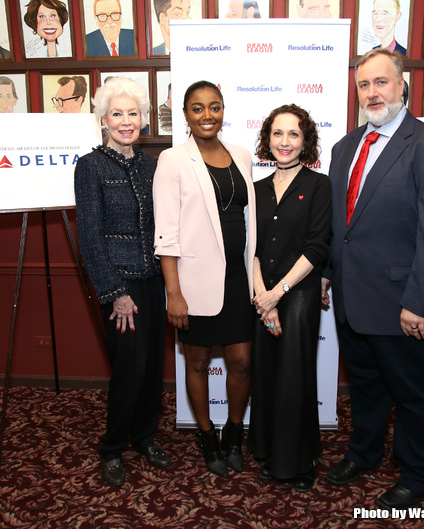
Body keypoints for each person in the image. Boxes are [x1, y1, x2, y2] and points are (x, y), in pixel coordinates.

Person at [323, 49, 424, 511]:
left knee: (414, 395)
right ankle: (363, 453)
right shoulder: (345, 147)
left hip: (407, 304)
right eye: (364, 84)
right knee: (366, 387)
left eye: (381, 82)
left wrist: (419, 303)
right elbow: (339, 225)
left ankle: (422, 472)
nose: (372, 92)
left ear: (402, 86)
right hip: (354, 299)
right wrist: (328, 273)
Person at [153, 81, 256, 478]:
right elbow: (166, 233)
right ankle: (206, 434)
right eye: (198, 109)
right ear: (185, 115)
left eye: (214, 107)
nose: (207, 115)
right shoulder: (173, 161)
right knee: (196, 361)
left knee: (242, 362)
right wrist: (173, 294)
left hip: (238, 277)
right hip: (193, 282)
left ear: (224, 110)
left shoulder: (242, 155)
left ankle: (233, 431)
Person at [74, 76, 171, 487]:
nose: (126, 121)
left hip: (155, 282)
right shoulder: (90, 166)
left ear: (144, 119)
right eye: (118, 114)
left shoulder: (155, 165)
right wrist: (115, 294)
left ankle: (144, 435)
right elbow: (89, 236)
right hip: (120, 287)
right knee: (129, 368)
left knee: (152, 367)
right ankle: (112, 447)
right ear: (103, 119)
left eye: (133, 113)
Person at [248, 104, 331, 493]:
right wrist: (262, 297)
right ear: (267, 139)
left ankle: (298, 460)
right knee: (266, 373)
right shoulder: (256, 188)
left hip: (299, 293)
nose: (285, 142)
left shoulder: (319, 185)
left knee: (295, 377)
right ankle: (270, 451)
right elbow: (252, 248)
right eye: (277, 134)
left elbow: (317, 249)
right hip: (262, 292)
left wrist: (278, 295)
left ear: (305, 141)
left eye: (293, 134)